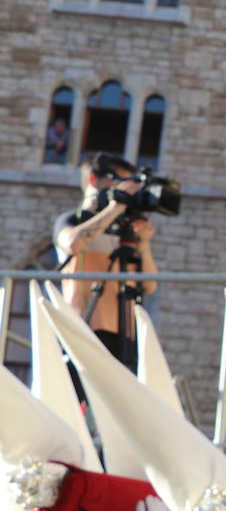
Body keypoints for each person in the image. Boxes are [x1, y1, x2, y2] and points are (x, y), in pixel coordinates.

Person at [53, 153, 158, 366]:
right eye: (121, 183)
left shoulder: (123, 232)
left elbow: (148, 285)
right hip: (83, 327)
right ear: (94, 179)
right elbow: (73, 243)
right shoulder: (71, 221)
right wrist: (114, 208)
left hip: (124, 333)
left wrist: (143, 245)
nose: (128, 190)